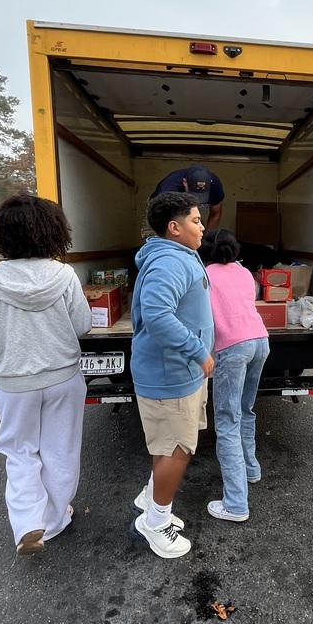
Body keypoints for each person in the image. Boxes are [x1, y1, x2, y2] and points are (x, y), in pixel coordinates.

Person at [0, 194, 92, 555]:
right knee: (60, 450)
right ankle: (56, 519)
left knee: (19, 451)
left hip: (14, 383)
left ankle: (29, 523)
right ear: (52, 231)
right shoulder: (63, 275)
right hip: (62, 377)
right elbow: (83, 325)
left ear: (2, 236)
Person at [129, 192, 215, 559]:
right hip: (170, 375)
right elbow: (158, 316)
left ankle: (152, 499)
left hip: (183, 374)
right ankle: (155, 521)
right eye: (196, 220)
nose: (203, 226)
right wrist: (198, 350)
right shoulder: (169, 262)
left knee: (175, 443)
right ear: (174, 227)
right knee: (175, 449)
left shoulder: (179, 255)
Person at [199, 229, 270, 521]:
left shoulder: (204, 275)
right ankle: (251, 470)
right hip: (260, 341)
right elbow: (251, 297)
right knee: (245, 409)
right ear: (235, 250)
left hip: (232, 347)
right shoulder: (244, 273)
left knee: (227, 421)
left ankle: (236, 503)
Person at [152, 165, 225, 230]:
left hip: (188, 212)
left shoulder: (215, 185)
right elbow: (164, 221)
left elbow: (215, 214)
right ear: (185, 182)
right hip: (160, 213)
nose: (197, 200)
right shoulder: (168, 188)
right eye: (194, 193)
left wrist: (206, 241)